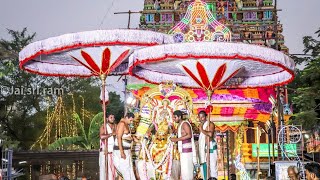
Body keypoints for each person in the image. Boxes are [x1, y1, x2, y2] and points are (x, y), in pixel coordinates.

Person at [170, 110, 197, 180]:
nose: (174, 119)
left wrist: (176, 139)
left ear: (179, 117)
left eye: (175, 117)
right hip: (183, 151)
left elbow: (189, 135)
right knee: (184, 171)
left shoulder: (185, 124)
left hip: (187, 151)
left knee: (187, 171)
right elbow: (179, 133)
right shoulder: (180, 124)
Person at [113, 113, 136, 180]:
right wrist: (122, 152)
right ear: (126, 117)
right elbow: (119, 138)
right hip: (122, 150)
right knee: (126, 170)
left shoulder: (126, 124)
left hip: (126, 150)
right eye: (130, 120)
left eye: (132, 120)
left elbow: (127, 136)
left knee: (129, 169)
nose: (131, 122)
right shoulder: (122, 124)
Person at [198, 111, 218, 179]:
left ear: (206, 117)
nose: (201, 119)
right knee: (205, 166)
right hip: (204, 148)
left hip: (211, 146)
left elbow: (210, 134)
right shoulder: (201, 125)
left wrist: (202, 130)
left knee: (212, 167)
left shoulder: (210, 124)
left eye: (202, 117)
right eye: (199, 117)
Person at [99, 112, 117, 180]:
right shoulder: (104, 126)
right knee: (105, 171)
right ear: (107, 118)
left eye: (113, 117)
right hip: (105, 152)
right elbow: (102, 137)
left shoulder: (116, 126)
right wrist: (111, 134)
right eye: (111, 117)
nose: (113, 119)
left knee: (113, 171)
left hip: (114, 152)